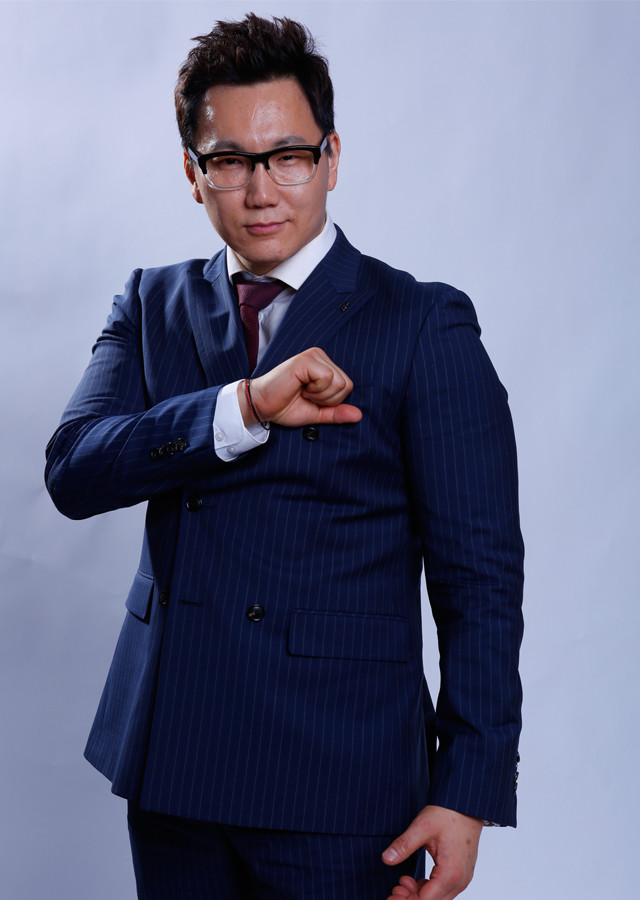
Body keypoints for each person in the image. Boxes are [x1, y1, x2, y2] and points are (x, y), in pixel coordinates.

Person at [45, 14, 524, 900]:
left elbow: (481, 581)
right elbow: (74, 469)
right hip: (174, 758)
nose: (262, 190)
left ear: (331, 159)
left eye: (289, 156)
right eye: (230, 160)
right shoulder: (151, 304)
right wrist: (243, 407)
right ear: (192, 173)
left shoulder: (422, 323)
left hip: (342, 778)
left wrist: (469, 789)